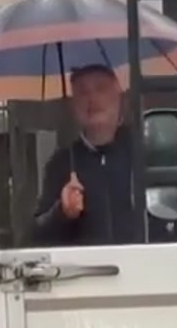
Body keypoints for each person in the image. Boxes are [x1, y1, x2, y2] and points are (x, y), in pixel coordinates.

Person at [32, 64, 149, 246]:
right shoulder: (61, 163)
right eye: (82, 92)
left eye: (100, 88)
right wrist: (62, 212)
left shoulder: (143, 150)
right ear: (73, 104)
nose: (92, 98)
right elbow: (37, 235)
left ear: (118, 94)